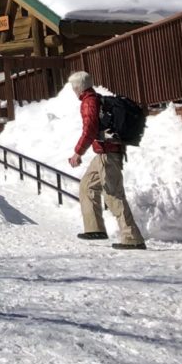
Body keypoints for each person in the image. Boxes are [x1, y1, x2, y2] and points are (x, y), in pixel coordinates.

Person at [67, 71, 146, 249]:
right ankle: (95, 229)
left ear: (79, 87)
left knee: (113, 194)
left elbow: (90, 129)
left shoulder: (89, 102)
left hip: (107, 154)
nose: (73, 90)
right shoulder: (96, 99)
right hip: (103, 153)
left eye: (74, 87)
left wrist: (78, 152)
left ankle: (132, 237)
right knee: (87, 185)